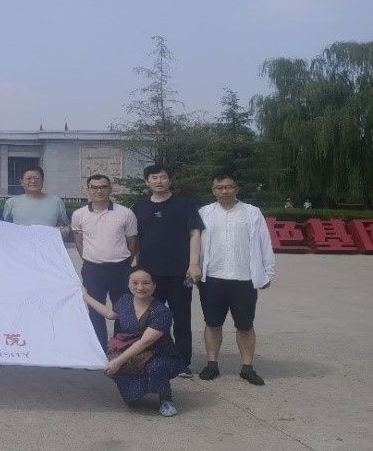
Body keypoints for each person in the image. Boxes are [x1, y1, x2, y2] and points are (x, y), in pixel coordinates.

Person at [197, 173, 276, 386]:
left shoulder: (252, 212)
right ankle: (211, 364)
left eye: (229, 187)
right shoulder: (204, 212)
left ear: (237, 189)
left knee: (245, 324)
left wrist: (267, 272)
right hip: (212, 277)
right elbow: (195, 242)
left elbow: (264, 241)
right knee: (212, 322)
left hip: (244, 278)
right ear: (213, 190)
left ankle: (247, 367)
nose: (224, 191)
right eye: (219, 187)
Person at [131, 164, 205, 377]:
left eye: (163, 177)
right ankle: (153, 357)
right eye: (154, 178)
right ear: (147, 181)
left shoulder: (184, 204)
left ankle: (182, 362)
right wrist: (136, 268)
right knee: (151, 319)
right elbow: (136, 240)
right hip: (149, 276)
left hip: (180, 273)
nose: (159, 181)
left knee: (181, 318)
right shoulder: (139, 207)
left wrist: (193, 264)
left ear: (170, 180)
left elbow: (195, 234)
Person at [84, 267, 185, 417]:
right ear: (128, 284)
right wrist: (85, 296)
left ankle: (166, 398)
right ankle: (138, 390)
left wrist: (118, 361)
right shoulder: (124, 300)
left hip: (160, 354)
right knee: (132, 397)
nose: (140, 287)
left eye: (146, 283)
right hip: (134, 352)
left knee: (155, 367)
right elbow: (109, 314)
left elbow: (144, 342)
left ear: (154, 285)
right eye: (135, 282)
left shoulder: (162, 312)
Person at [71, 174, 138, 350]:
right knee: (95, 310)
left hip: (120, 269)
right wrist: (90, 259)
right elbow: (79, 242)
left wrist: (126, 263)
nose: (99, 190)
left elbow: (132, 242)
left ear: (110, 189)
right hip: (93, 269)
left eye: (103, 187)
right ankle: (99, 349)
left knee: (122, 310)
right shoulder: (79, 214)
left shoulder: (125, 213)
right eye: (94, 187)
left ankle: (119, 349)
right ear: (88, 190)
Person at [2, 166, 69, 240]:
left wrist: (65, 231)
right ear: (21, 182)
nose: (33, 181)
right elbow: (5, 227)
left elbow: (64, 226)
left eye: (37, 178)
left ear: (43, 181)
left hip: (47, 245)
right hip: (19, 245)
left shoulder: (56, 202)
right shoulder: (11, 203)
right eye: (28, 178)